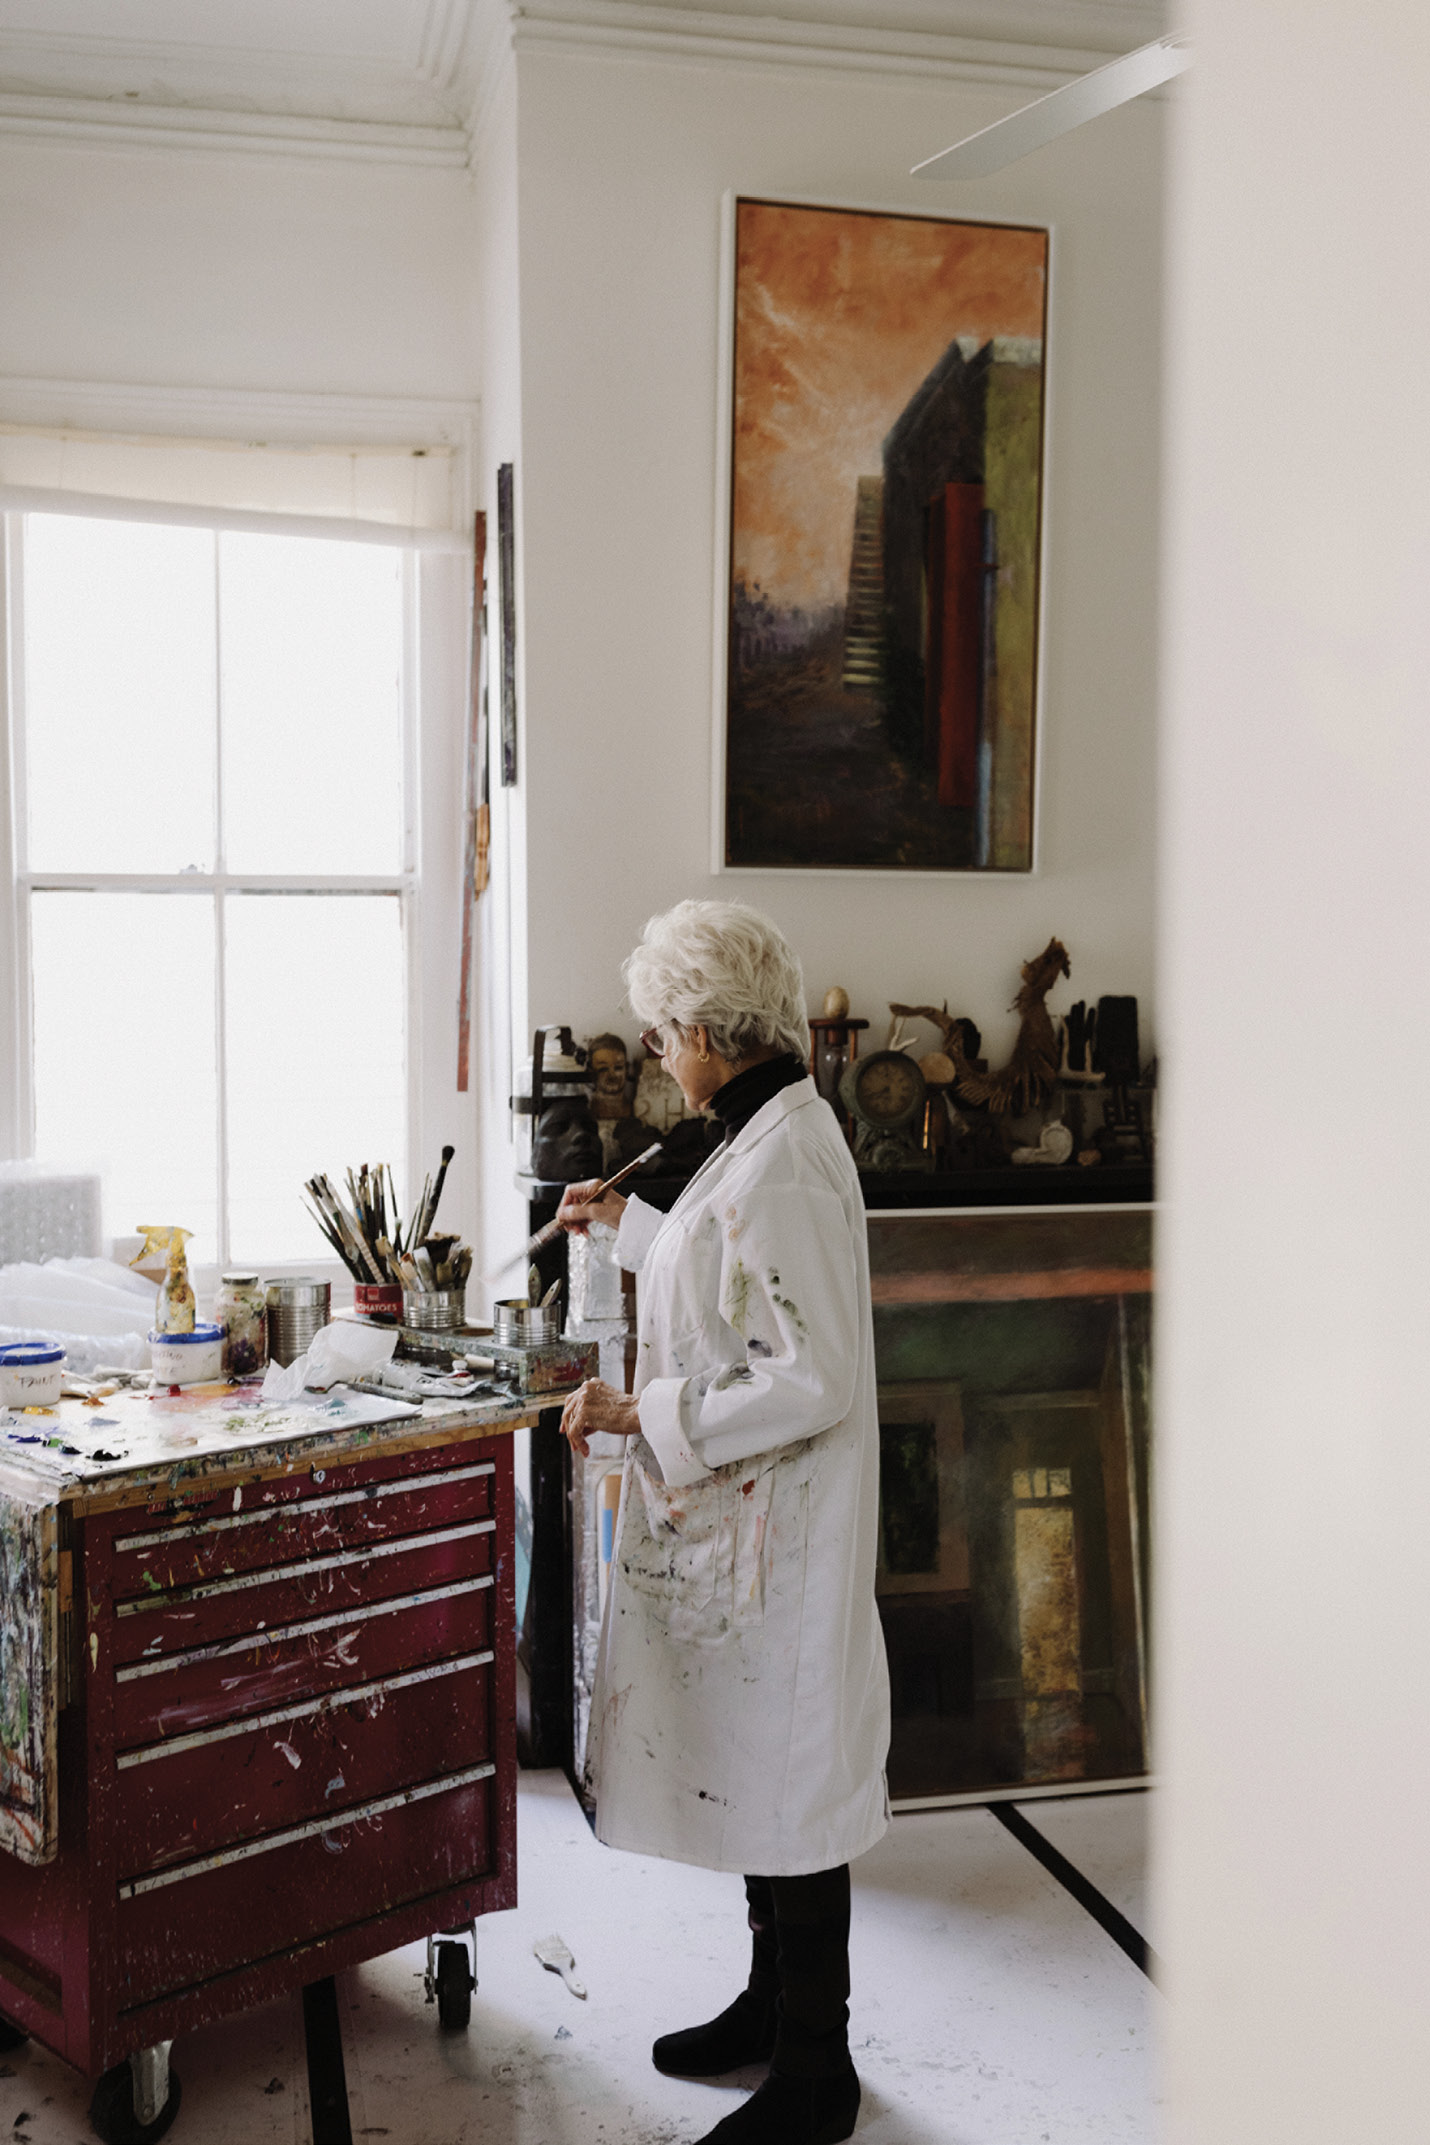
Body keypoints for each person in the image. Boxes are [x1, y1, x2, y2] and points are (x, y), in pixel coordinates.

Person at [557, 899, 891, 2145]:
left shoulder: (788, 1154)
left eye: (657, 1038)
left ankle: (817, 2070)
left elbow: (813, 1373)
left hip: (782, 1533)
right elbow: (727, 1270)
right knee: (758, 1775)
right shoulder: (761, 1132)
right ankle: (768, 2011)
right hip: (750, 1519)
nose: (658, 1058)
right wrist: (629, 1227)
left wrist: (639, 1411)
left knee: (791, 1789)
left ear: (702, 1031)